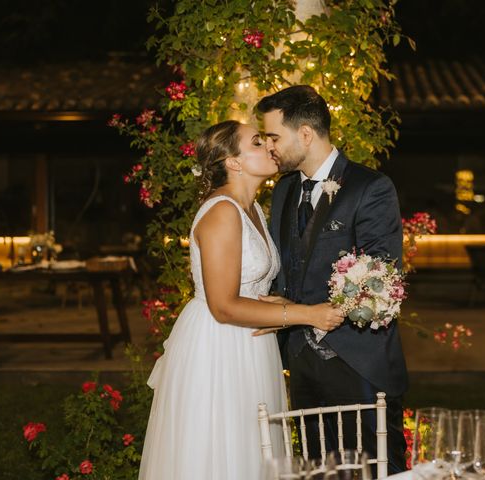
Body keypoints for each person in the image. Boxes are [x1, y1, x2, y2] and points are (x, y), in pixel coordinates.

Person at [138, 119, 344, 480]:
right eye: (256, 142)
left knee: (254, 447)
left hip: (250, 341)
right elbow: (224, 304)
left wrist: (275, 305)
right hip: (219, 346)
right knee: (222, 447)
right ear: (233, 162)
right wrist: (305, 314)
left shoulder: (254, 210)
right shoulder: (222, 212)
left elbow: (249, 290)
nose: (269, 147)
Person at [257, 85, 409, 474]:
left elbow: (382, 278)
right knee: (318, 470)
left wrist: (306, 311)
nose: (269, 146)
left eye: (274, 136)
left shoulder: (369, 188)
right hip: (301, 363)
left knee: (374, 471)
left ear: (305, 134)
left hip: (358, 362)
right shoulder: (284, 191)